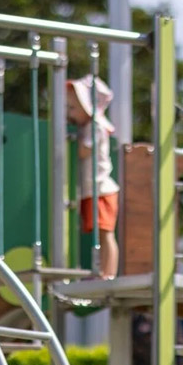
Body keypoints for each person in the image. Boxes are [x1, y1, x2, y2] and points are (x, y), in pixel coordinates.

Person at [66, 74, 119, 279]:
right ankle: (103, 271)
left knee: (105, 233)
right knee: (100, 233)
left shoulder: (94, 127)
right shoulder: (89, 126)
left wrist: (74, 139)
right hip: (93, 187)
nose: (70, 113)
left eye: (72, 108)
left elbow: (83, 151)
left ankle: (108, 272)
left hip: (101, 188)